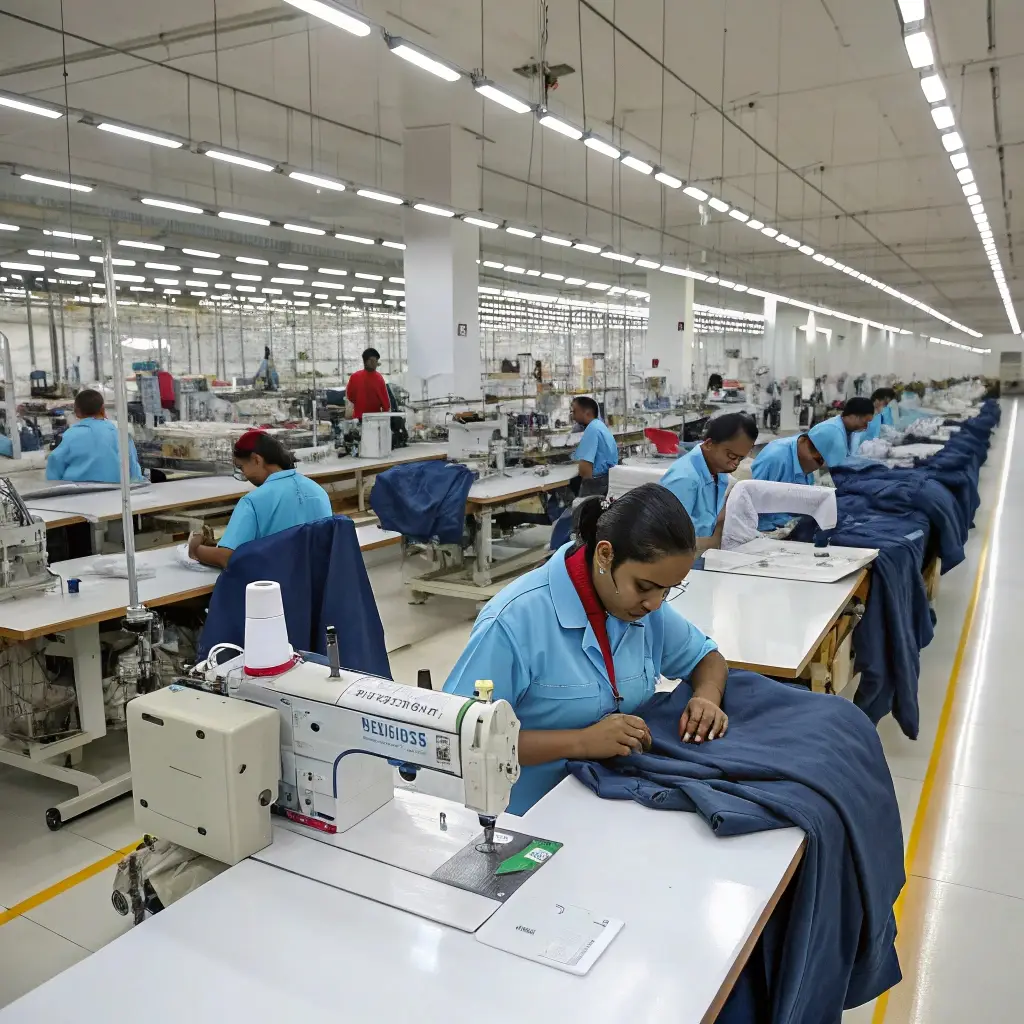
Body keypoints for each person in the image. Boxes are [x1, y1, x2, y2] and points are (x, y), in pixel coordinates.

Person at [444, 484, 728, 814]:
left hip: (613, 798)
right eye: (645, 587)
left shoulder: (642, 608)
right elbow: (461, 738)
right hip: (528, 815)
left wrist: (707, 698)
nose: (654, 603)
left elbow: (707, 658)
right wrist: (580, 742)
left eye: (667, 591)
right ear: (605, 555)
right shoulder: (514, 622)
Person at [188, 429, 333, 569]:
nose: (244, 476)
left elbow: (227, 558)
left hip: (276, 587)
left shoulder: (252, 502)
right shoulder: (318, 491)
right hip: (318, 587)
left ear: (256, 459)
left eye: (241, 467)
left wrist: (195, 548)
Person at [659, 412, 758, 552]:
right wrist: (715, 537)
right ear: (709, 444)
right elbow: (668, 542)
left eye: (740, 459)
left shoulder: (718, 471)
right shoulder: (684, 480)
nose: (734, 464)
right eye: (731, 456)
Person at [45, 389, 143, 483]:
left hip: (78, 494)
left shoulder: (70, 435)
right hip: (114, 493)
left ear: (77, 412)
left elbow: (54, 465)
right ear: (103, 409)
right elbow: (134, 472)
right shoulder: (121, 435)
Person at [807, 396, 875, 469]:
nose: (866, 427)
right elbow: (806, 458)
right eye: (865, 422)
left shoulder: (851, 431)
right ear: (855, 416)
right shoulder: (829, 429)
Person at [570, 396, 619, 498]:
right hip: (607, 479)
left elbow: (585, 469)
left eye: (575, 412)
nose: (573, 416)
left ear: (587, 413)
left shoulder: (592, 429)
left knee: (583, 511)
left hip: (595, 483)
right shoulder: (600, 426)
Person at [345, 348, 390, 422]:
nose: (375, 363)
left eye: (376, 361)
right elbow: (385, 404)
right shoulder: (378, 378)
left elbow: (350, 396)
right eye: (372, 361)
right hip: (373, 418)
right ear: (365, 361)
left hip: (362, 417)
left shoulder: (355, 376)